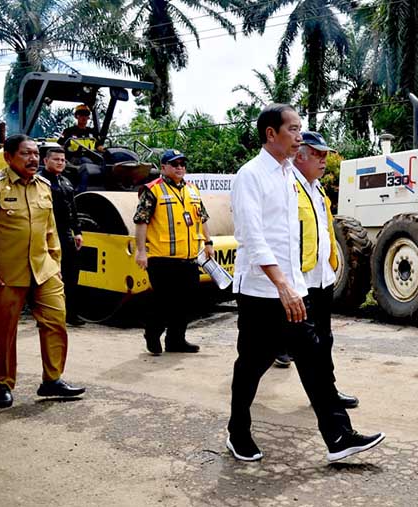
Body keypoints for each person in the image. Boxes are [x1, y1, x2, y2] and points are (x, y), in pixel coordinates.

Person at [227, 104, 384, 463]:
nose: (300, 136)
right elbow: (252, 237)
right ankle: (238, 433)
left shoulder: (286, 174)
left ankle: (339, 436)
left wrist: (297, 286)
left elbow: (292, 239)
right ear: (271, 133)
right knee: (251, 366)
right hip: (260, 292)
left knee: (314, 359)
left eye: (300, 129)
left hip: (292, 291)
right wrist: (282, 285)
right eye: (294, 129)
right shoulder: (250, 176)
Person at [0, 134, 86, 409]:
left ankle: (52, 379)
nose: (33, 158)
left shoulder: (44, 186)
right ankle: (1, 384)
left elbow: (50, 229)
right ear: (8, 156)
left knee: (56, 320)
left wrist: (55, 262)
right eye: (26, 153)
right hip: (5, 273)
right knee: (3, 332)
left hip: (44, 269)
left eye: (36, 154)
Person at [291, 131, 358, 409]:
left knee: (324, 338)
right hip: (297, 280)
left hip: (320, 277)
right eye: (317, 154)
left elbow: (325, 230)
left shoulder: (317, 189)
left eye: (325, 155)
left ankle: (326, 392)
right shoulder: (287, 187)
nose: (323, 160)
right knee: (266, 350)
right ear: (299, 155)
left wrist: (331, 264)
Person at [133, 149, 213, 355]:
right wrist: (141, 251)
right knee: (164, 303)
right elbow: (141, 221)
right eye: (174, 164)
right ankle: (152, 332)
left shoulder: (193, 190)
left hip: (188, 258)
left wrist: (208, 243)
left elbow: (202, 218)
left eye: (182, 164)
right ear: (163, 167)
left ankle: (176, 340)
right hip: (162, 259)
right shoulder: (153, 190)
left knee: (187, 303)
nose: (179, 167)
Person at [40, 146, 84, 326]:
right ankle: (44, 315)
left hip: (65, 233)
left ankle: (71, 314)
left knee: (71, 273)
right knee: (47, 276)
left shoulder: (65, 181)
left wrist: (78, 232)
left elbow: (72, 209)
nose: (60, 163)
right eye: (56, 159)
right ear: (45, 161)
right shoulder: (39, 181)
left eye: (62, 160)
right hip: (44, 233)